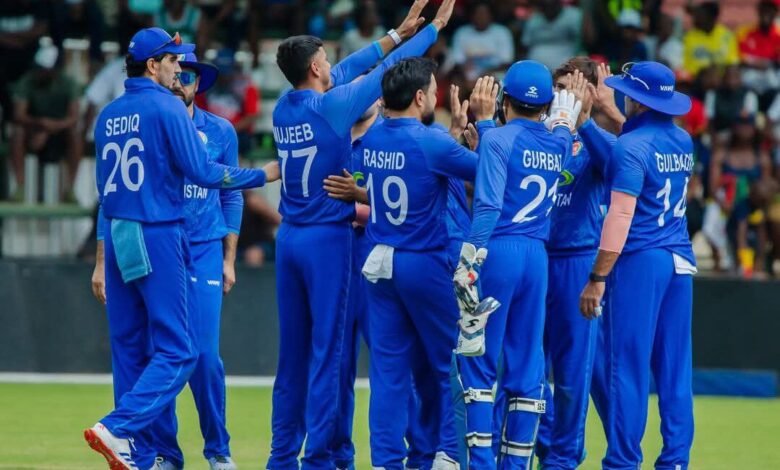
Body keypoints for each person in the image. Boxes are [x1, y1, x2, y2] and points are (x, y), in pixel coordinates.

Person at [267, 1, 455, 467]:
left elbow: (349, 68)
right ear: (315, 68)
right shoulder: (333, 108)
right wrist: (431, 31)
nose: (333, 66)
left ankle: (282, 458)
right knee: (331, 356)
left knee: (292, 358)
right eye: (325, 61)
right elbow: (386, 74)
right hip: (329, 239)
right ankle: (320, 460)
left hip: (289, 237)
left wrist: (397, 31)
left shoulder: (285, 106)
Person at [84, 28, 274, 470]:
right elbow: (205, 172)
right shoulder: (167, 107)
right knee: (181, 349)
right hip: (159, 231)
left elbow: (105, 193)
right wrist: (263, 175)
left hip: (121, 231)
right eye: (172, 61)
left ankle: (138, 453)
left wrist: (99, 259)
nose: (178, 69)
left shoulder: (108, 115)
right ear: (153, 65)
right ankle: (118, 428)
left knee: (130, 348)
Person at [352, 56, 480, 469]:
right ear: (420, 97)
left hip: (379, 263)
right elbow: (485, 171)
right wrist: (482, 129)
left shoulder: (372, 139)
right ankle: (448, 454)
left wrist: (452, 139)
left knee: (388, 373)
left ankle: (387, 461)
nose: (437, 97)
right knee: (450, 362)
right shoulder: (431, 141)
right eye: (434, 91)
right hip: (424, 261)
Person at [453, 60, 580, 469]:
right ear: (545, 106)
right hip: (536, 256)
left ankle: (481, 464)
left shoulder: (497, 138)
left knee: (478, 362)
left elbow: (489, 205)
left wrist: (469, 259)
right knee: (527, 368)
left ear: (504, 100)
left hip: (498, 250)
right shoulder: (558, 142)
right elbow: (562, 128)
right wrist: (563, 117)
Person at [578, 61, 695, 470]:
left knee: (626, 366)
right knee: (675, 370)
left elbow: (620, 217)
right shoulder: (683, 140)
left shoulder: (631, 147)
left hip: (641, 262)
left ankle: (623, 462)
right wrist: (611, 113)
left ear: (638, 100)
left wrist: (597, 277)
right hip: (680, 262)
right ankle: (675, 460)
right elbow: (641, 140)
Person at [150, 52, 244, 470]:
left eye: (187, 77)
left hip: (204, 248)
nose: (179, 83)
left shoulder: (220, 131)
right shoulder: (150, 126)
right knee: (163, 355)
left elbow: (231, 194)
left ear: (197, 84)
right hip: (161, 247)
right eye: (175, 74)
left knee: (205, 356)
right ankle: (166, 455)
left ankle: (218, 451)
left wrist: (229, 258)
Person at [535, 58, 618, 470]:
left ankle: (563, 457)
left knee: (572, 372)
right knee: (527, 366)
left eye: (572, 89)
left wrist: (585, 121)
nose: (563, 97)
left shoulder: (595, 140)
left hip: (577, 262)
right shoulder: (539, 135)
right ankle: (549, 444)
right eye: (559, 89)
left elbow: (618, 166)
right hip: (535, 256)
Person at [8, 39, 80, 202]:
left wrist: (51, 127)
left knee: (75, 135)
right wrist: (40, 124)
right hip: (33, 129)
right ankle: (20, 187)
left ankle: (70, 189)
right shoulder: (27, 81)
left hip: (59, 132)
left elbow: (74, 117)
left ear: (54, 71)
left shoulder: (68, 83)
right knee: (17, 133)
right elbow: (19, 115)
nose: (40, 73)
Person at [682, 1, 738, 77]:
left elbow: (731, 62)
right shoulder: (688, 36)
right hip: (694, 78)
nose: (695, 19)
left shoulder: (726, 36)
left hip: (721, 78)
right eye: (696, 16)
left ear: (712, 18)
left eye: (700, 16)